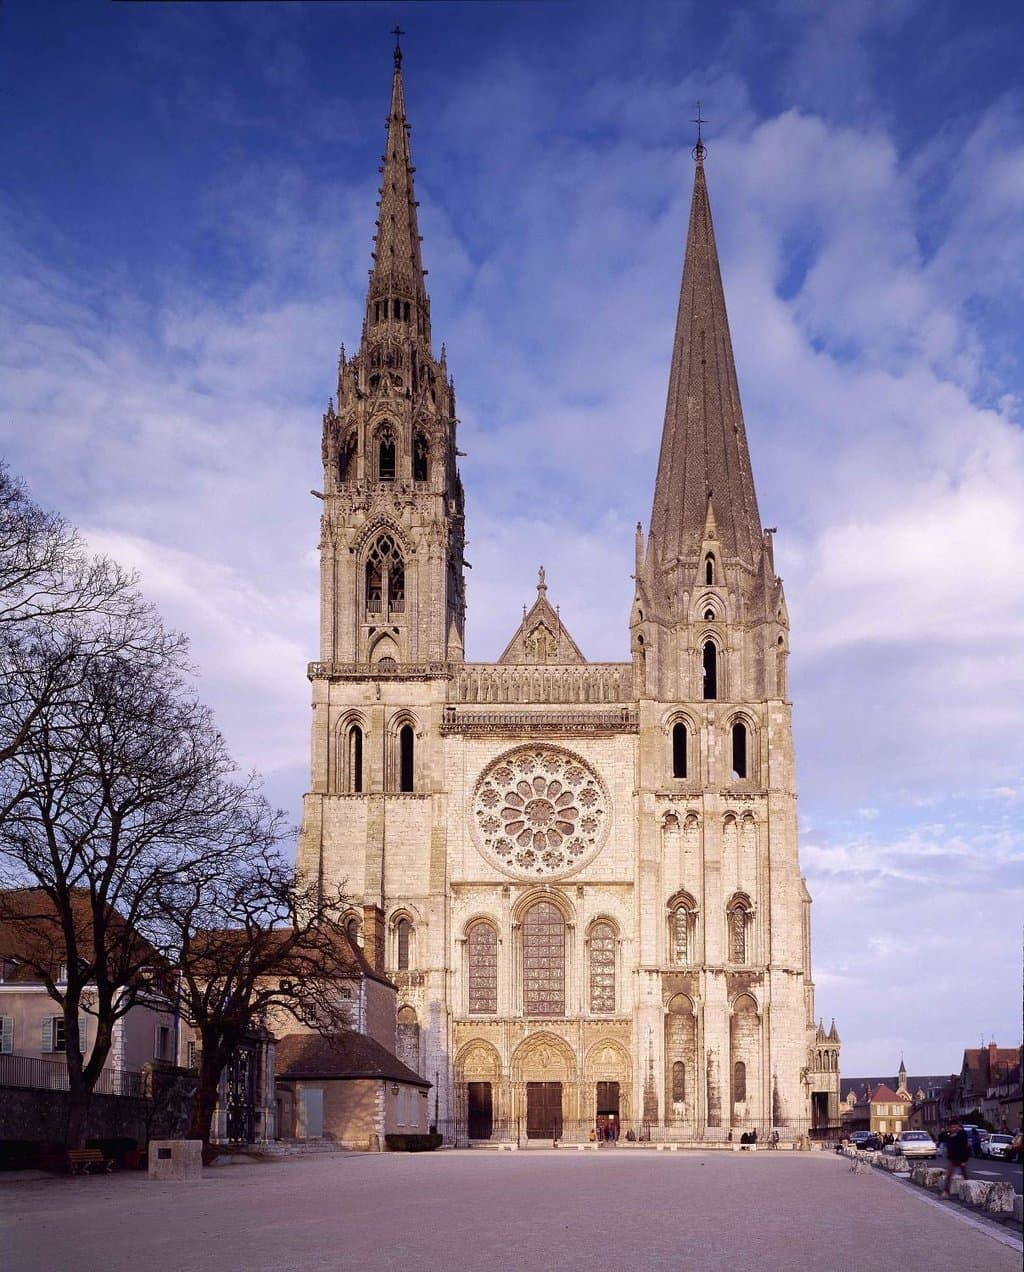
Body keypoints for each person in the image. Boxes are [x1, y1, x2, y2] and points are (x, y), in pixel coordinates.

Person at [944, 1120, 970, 1195]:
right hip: (952, 1159)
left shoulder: (962, 1135)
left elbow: (966, 1148)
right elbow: (949, 1146)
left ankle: (968, 1191)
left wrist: (964, 1160)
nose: (953, 1129)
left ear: (958, 1127)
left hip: (961, 1159)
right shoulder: (949, 1135)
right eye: (951, 1127)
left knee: (965, 1175)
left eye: (954, 1127)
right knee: (949, 1175)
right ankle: (946, 1191)